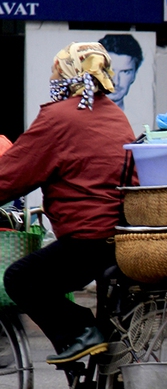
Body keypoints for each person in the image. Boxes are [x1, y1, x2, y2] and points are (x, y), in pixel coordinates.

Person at [1, 43, 136, 366]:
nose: (52, 77)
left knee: (21, 279)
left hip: (87, 239)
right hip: (124, 237)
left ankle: (81, 332)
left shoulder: (59, 117)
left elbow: (13, 174)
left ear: (69, 74)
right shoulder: (116, 115)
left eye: (56, 71)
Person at [98, 34, 143, 111]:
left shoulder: (141, 120)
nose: (116, 82)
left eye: (125, 72)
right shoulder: (76, 118)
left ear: (134, 75)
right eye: (109, 71)